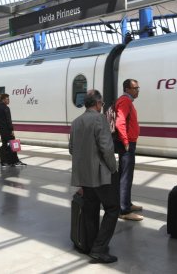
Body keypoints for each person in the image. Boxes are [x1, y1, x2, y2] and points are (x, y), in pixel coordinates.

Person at [69, 89, 120, 264]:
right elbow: (106, 149)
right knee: (113, 209)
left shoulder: (76, 122)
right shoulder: (100, 119)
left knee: (91, 210)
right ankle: (98, 249)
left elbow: (71, 149)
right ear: (98, 104)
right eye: (102, 104)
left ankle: (91, 246)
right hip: (101, 175)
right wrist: (113, 169)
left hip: (84, 176)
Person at [114, 79, 143, 221]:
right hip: (127, 144)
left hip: (129, 143)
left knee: (126, 175)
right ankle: (123, 210)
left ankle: (127, 203)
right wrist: (125, 142)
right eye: (135, 88)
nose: (138, 90)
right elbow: (120, 122)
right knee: (125, 176)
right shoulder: (125, 101)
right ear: (127, 89)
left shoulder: (127, 101)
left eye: (138, 87)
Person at [0, 94, 26, 167]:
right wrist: (11, 130)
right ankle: (15, 161)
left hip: (2, 131)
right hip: (7, 131)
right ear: (3, 100)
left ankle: (4, 162)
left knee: (4, 145)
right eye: (7, 99)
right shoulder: (6, 108)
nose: (8, 100)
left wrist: (0, 129)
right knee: (14, 145)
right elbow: (8, 120)